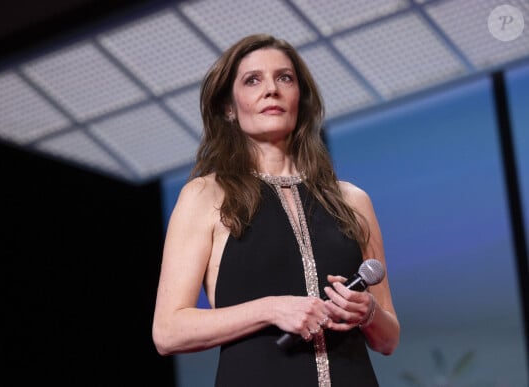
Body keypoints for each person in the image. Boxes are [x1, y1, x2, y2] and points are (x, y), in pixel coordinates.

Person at [152, 33, 400, 387]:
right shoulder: (205, 195)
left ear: (301, 97)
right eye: (253, 80)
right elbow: (168, 332)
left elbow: (388, 339)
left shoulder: (352, 200)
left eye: (285, 78)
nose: (272, 90)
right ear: (229, 107)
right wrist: (270, 309)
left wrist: (369, 312)